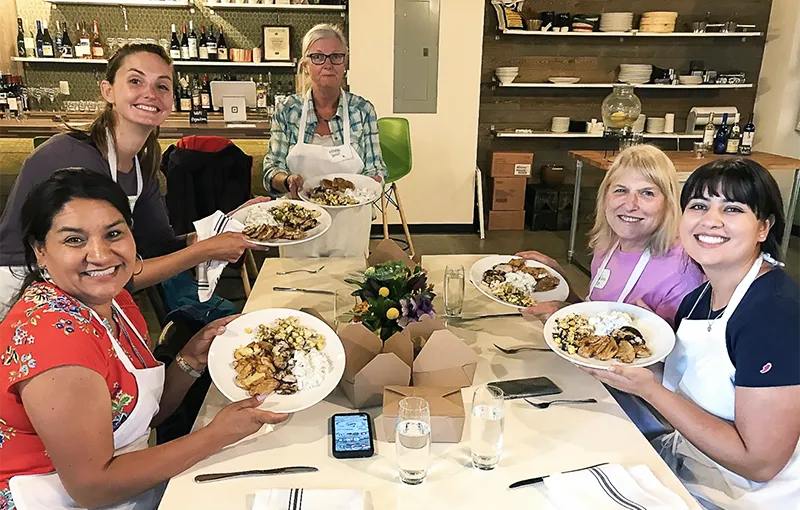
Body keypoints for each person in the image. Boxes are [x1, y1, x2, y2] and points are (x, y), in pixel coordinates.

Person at [0, 169, 287, 510]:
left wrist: (191, 359)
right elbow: (92, 487)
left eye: (113, 234)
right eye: (74, 240)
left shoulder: (113, 301)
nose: (101, 255)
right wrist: (217, 435)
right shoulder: (55, 341)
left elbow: (142, 416)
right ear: (40, 251)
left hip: (127, 485)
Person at [586, 159, 800, 509]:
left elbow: (761, 463)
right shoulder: (700, 297)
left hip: (744, 498)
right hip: (691, 468)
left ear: (764, 227)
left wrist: (648, 389)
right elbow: (681, 387)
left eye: (732, 208)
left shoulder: (773, 316)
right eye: (699, 206)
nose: (710, 221)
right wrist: (628, 352)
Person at [0, 43, 263, 320]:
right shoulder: (71, 157)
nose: (150, 93)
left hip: (83, 290)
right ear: (108, 91)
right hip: (27, 288)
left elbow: (159, 246)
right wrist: (204, 250)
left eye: (162, 86)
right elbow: (108, 271)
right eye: (135, 81)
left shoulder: (142, 166)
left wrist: (225, 225)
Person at [518, 145, 704, 325]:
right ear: (605, 197)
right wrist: (560, 283)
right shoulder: (607, 246)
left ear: (669, 204)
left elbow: (678, 355)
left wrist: (649, 332)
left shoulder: (682, 274)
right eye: (621, 190)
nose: (630, 205)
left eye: (647, 193)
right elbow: (593, 314)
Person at [262, 23, 388, 258]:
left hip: (350, 225)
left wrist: (373, 184)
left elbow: (377, 168)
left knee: (348, 287)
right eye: (318, 56)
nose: (328, 64)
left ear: (346, 64)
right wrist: (288, 180)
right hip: (299, 223)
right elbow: (271, 171)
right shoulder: (289, 110)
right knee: (299, 287)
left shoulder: (363, 110)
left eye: (336, 56)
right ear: (305, 64)